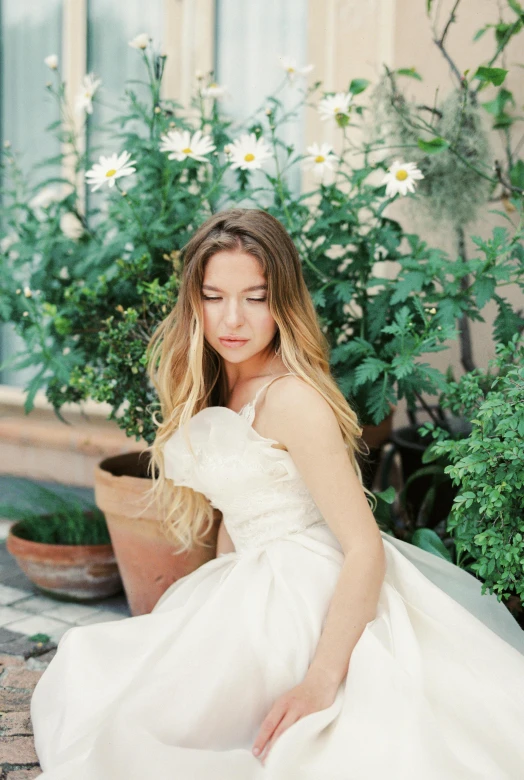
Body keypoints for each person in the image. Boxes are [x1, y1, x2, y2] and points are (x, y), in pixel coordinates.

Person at [31, 209, 524, 779]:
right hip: (248, 578)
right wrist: (210, 607)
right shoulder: (221, 380)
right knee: (109, 682)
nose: (232, 319)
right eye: (214, 296)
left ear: (282, 301)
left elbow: (365, 547)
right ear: (194, 301)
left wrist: (320, 680)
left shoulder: (293, 400)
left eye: (255, 297)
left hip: (308, 587)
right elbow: (233, 515)